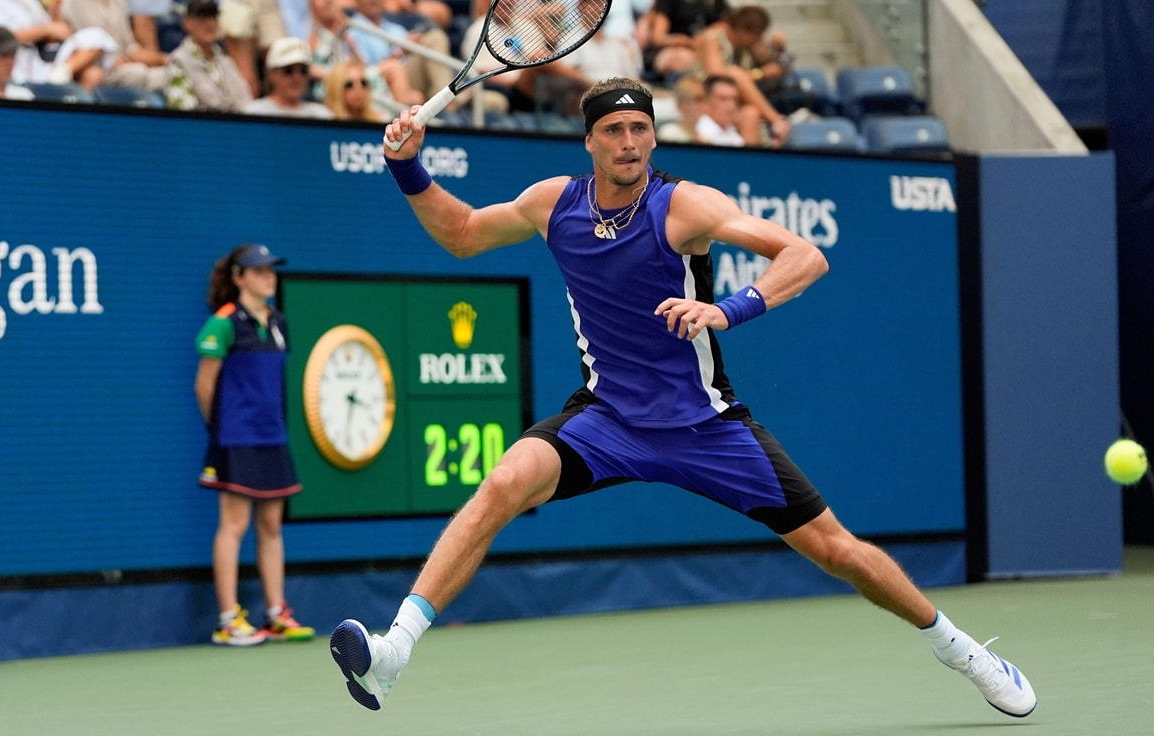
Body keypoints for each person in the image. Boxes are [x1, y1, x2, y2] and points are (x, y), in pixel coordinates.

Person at [329, 76, 1039, 722]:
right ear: (590, 142)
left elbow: (804, 256)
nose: (630, 142)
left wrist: (728, 309)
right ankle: (394, 651)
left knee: (838, 551)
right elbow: (460, 234)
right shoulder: (553, 205)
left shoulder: (685, 206)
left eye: (640, 128)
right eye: (614, 130)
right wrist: (406, 166)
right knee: (504, 482)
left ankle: (960, 649)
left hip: (705, 426)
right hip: (606, 419)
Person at [195, 243, 316, 647]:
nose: (269, 276)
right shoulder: (223, 323)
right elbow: (204, 385)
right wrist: (222, 429)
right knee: (234, 525)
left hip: (273, 438)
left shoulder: (279, 321)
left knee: (270, 525)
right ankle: (229, 619)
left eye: (271, 269)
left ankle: (276, 613)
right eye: (258, 270)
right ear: (238, 278)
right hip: (236, 439)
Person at [210, 0, 336, 96]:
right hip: (238, 6)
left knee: (281, 73)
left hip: (276, 8)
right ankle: (248, 116)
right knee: (244, 80)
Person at [694, 4, 790, 146]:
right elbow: (718, 78)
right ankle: (776, 120)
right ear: (742, 30)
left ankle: (755, 161)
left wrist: (778, 49)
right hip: (707, 100)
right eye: (756, 35)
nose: (758, 40)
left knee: (751, 113)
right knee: (736, 74)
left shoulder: (747, 46)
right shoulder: (713, 39)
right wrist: (760, 74)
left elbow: (768, 60)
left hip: (734, 104)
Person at [164, 0, 252, 111]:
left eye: (214, 17)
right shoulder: (178, 61)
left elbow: (247, 104)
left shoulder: (225, 60)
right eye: (202, 18)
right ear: (186, 23)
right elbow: (183, 114)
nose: (210, 24)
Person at [243, 34, 334, 117]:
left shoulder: (322, 115)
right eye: (288, 70)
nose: (297, 77)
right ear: (270, 73)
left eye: (303, 70)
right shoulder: (253, 113)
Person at [322, 57, 389, 121]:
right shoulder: (324, 122)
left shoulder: (382, 121)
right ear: (336, 90)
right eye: (349, 84)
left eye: (363, 83)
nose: (359, 89)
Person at [693, 73, 745, 146]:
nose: (731, 105)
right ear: (706, 101)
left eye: (734, 99)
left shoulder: (736, 137)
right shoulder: (696, 134)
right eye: (723, 99)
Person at [655, 72, 703, 143]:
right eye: (694, 100)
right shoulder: (669, 134)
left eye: (700, 100)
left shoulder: (706, 135)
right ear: (680, 105)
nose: (696, 107)